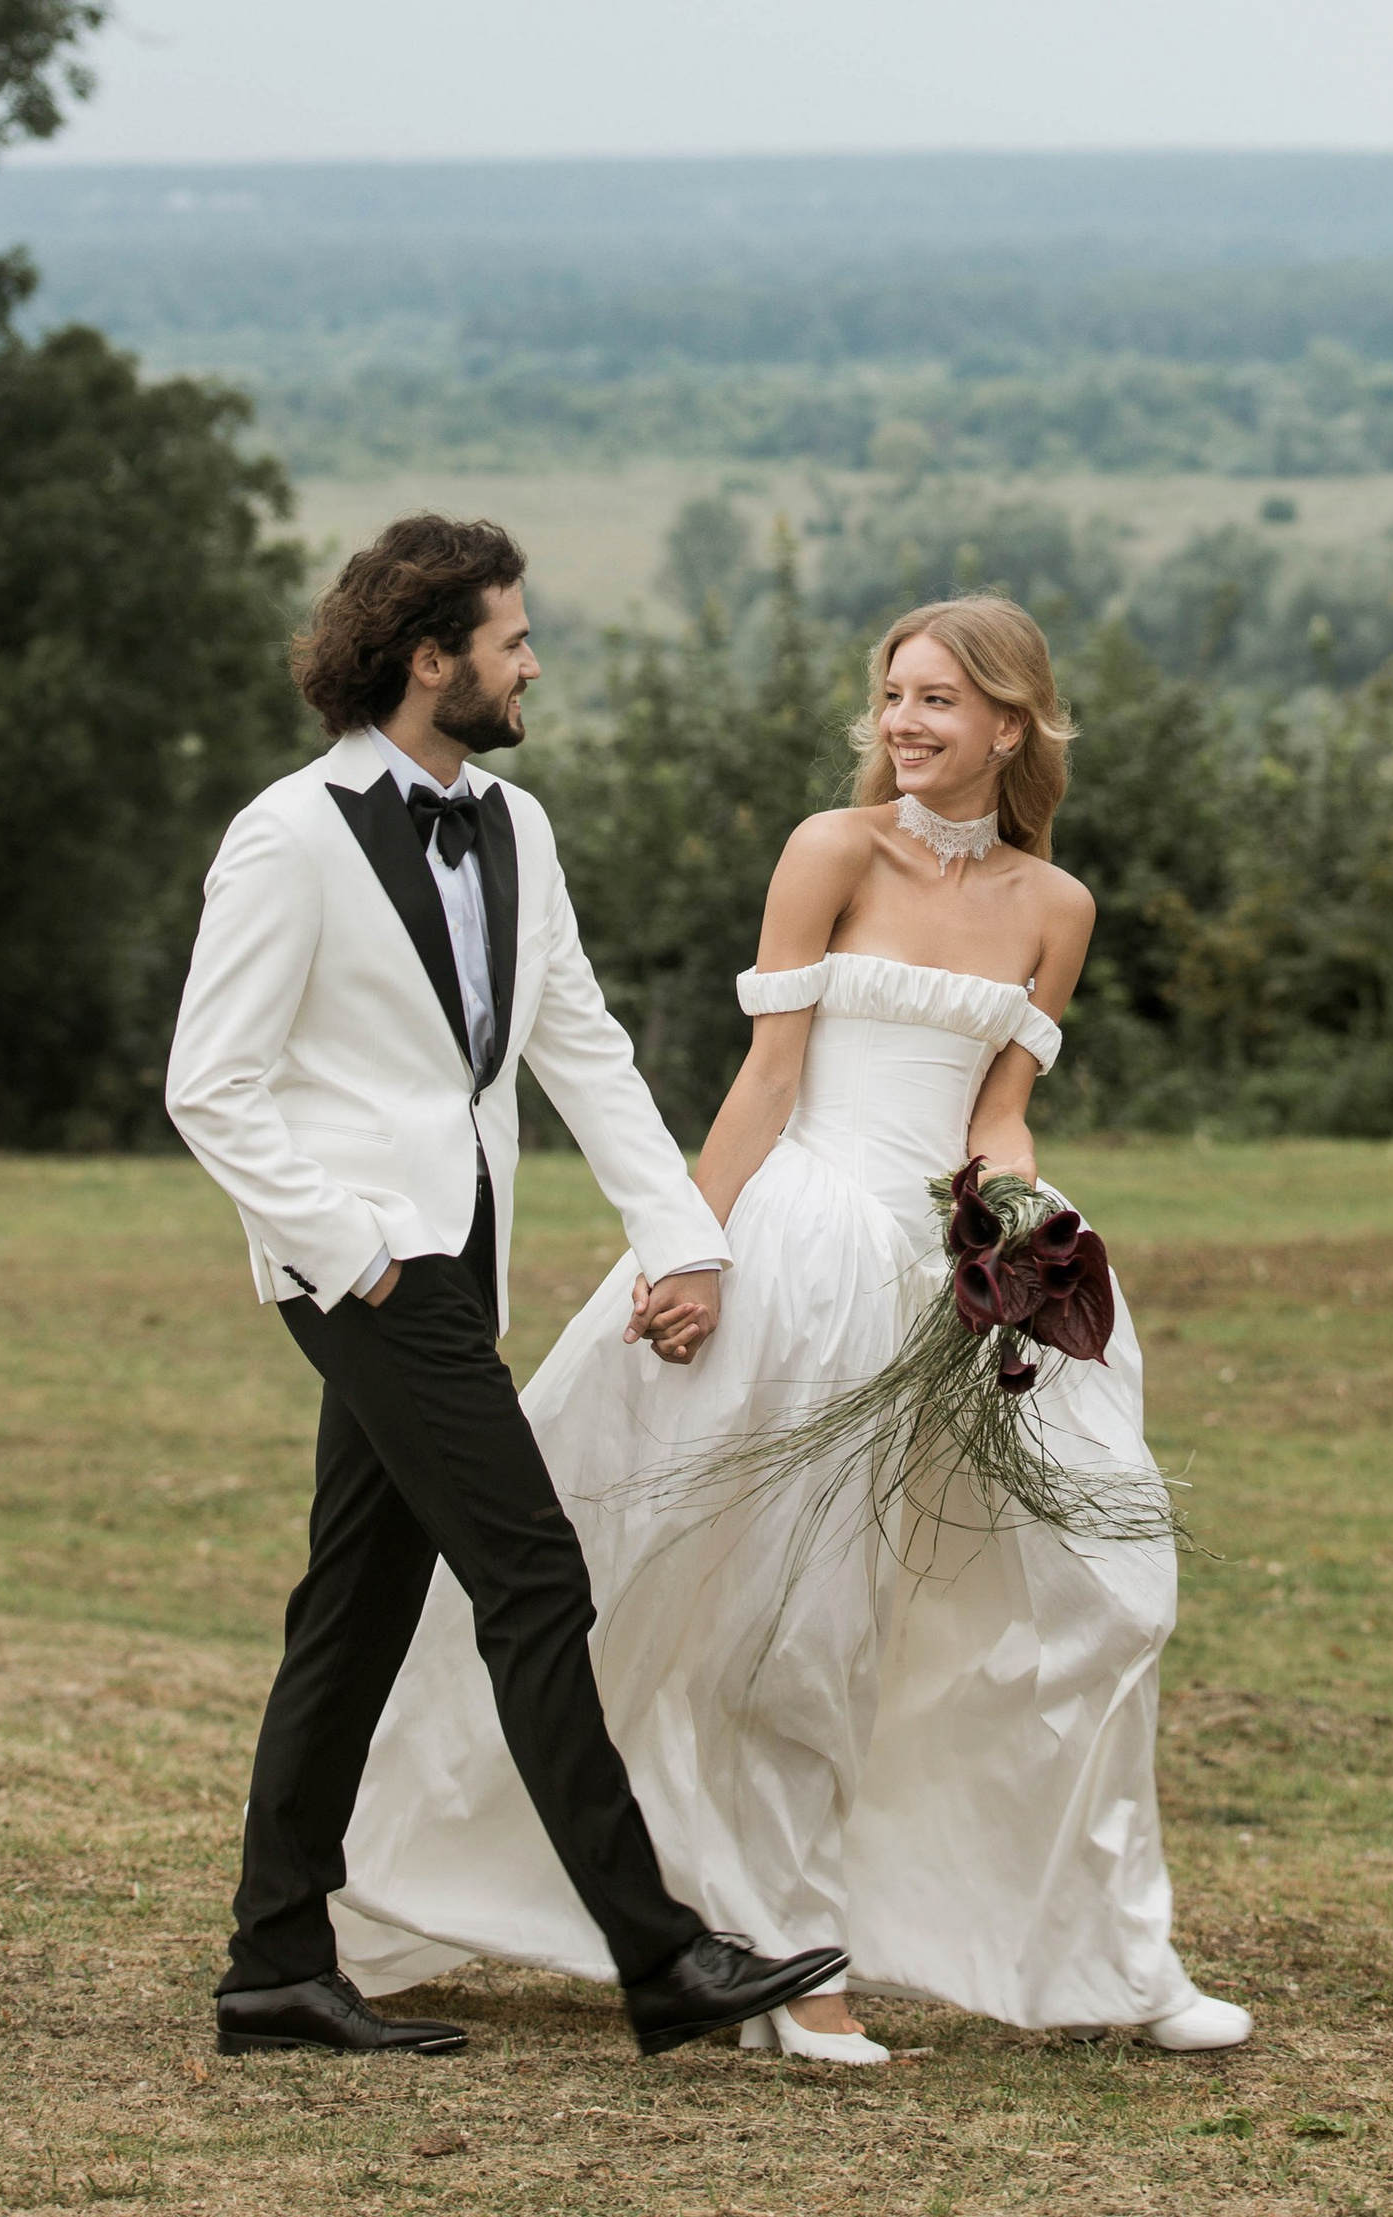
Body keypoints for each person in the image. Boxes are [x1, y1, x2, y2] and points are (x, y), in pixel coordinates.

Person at [330, 591, 1251, 2062]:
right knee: (799, 1617)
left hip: (955, 1275)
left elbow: (1000, 1114)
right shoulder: (834, 849)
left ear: (1010, 722)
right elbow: (768, 1080)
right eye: (894, 694)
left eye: (938, 699)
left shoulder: (1056, 906)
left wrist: (1017, 1225)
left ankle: (1115, 1950)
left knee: (1106, 1595)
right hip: (806, 1254)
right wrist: (687, 1249)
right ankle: (790, 1962)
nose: (904, 721)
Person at [164, 511, 846, 2061]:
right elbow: (211, 1084)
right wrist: (351, 1250)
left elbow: (580, 1045)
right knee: (533, 1576)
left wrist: (682, 1233)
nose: (533, 662)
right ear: (430, 659)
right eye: (512, 639)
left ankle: (274, 1964)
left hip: (459, 1262)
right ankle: (660, 1954)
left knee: (354, 1604)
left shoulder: (516, 828)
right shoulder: (288, 833)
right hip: (366, 1270)